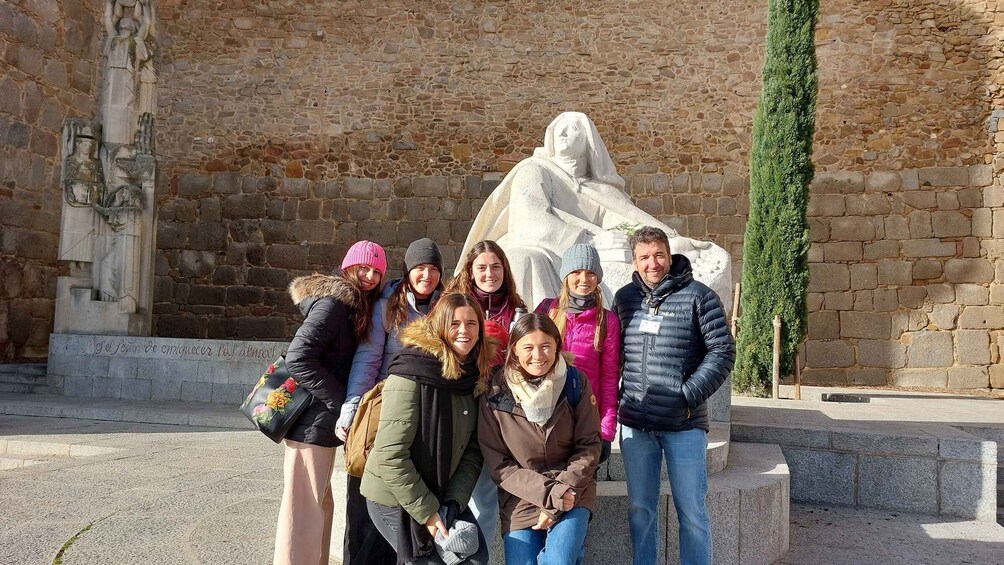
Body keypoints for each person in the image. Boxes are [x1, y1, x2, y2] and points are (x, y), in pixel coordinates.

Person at [457, 111, 732, 310]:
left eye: (573, 128)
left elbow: (626, 221)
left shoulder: (600, 190)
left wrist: (670, 240)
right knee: (524, 259)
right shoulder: (535, 170)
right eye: (559, 128)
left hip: (585, 251)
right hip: (542, 246)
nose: (564, 132)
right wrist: (591, 240)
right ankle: (540, 334)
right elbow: (530, 220)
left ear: (588, 140)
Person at [612, 226, 735, 565]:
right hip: (636, 426)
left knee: (691, 511)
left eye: (658, 255)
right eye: (644, 257)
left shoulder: (699, 296)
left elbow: (722, 351)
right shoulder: (624, 299)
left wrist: (687, 395)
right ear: (635, 262)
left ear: (669, 255)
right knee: (640, 509)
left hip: (684, 425)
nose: (653, 264)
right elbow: (615, 354)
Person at [361, 292, 495, 565]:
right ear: (439, 325)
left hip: (441, 490)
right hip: (393, 495)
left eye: (472, 324)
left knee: (476, 558)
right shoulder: (411, 370)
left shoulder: (473, 375)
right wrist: (430, 514)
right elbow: (390, 455)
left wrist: (453, 504)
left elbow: (472, 450)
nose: (464, 331)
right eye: (454, 323)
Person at [275, 240, 386, 565]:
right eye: (362, 267)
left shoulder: (351, 305)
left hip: (318, 425)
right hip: (311, 422)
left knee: (319, 503)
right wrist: (341, 402)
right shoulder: (333, 304)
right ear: (347, 266)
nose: (368, 276)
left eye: (375, 271)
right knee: (303, 509)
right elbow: (298, 358)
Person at [335, 238, 445, 565]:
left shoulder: (446, 307)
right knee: (365, 502)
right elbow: (368, 361)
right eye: (420, 268)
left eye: (433, 269)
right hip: (383, 410)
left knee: (404, 506)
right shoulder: (388, 303)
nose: (426, 275)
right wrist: (351, 409)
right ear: (408, 270)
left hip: (424, 415)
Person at [478, 314, 602, 565]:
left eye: (545, 346)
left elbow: (589, 445)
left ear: (557, 346)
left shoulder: (575, 383)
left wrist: (562, 493)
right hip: (522, 496)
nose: (538, 355)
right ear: (514, 350)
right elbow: (500, 465)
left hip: (572, 488)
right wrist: (549, 495)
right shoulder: (494, 393)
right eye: (528, 347)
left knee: (558, 561)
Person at [445, 239, 528, 542]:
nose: (489, 273)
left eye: (495, 267)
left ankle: (475, 555)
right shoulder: (453, 305)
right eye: (482, 267)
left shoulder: (517, 310)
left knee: (485, 495)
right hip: (458, 405)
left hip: (498, 411)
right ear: (471, 270)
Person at [535, 243, 620, 462]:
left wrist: (607, 429)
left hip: (586, 417)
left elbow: (610, 377)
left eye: (591, 273)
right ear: (566, 276)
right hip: (549, 413)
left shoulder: (607, 320)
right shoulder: (547, 310)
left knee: (583, 487)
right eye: (576, 272)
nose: (584, 279)